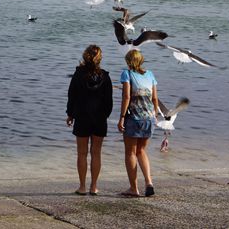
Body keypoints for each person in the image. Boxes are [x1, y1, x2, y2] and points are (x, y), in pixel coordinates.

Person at [66, 44, 113, 195]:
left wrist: (70, 114)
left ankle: (82, 187)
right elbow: (109, 101)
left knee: (82, 153)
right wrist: (104, 115)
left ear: (85, 56)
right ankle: (94, 186)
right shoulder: (105, 76)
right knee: (96, 153)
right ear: (100, 58)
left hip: (82, 116)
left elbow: (71, 95)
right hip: (99, 118)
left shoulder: (78, 74)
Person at [117, 49, 159, 197]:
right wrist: (155, 115)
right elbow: (154, 98)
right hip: (149, 119)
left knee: (130, 152)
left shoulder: (126, 74)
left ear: (129, 61)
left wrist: (122, 116)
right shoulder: (150, 74)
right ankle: (149, 182)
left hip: (134, 119)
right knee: (142, 151)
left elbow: (127, 96)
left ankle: (134, 188)